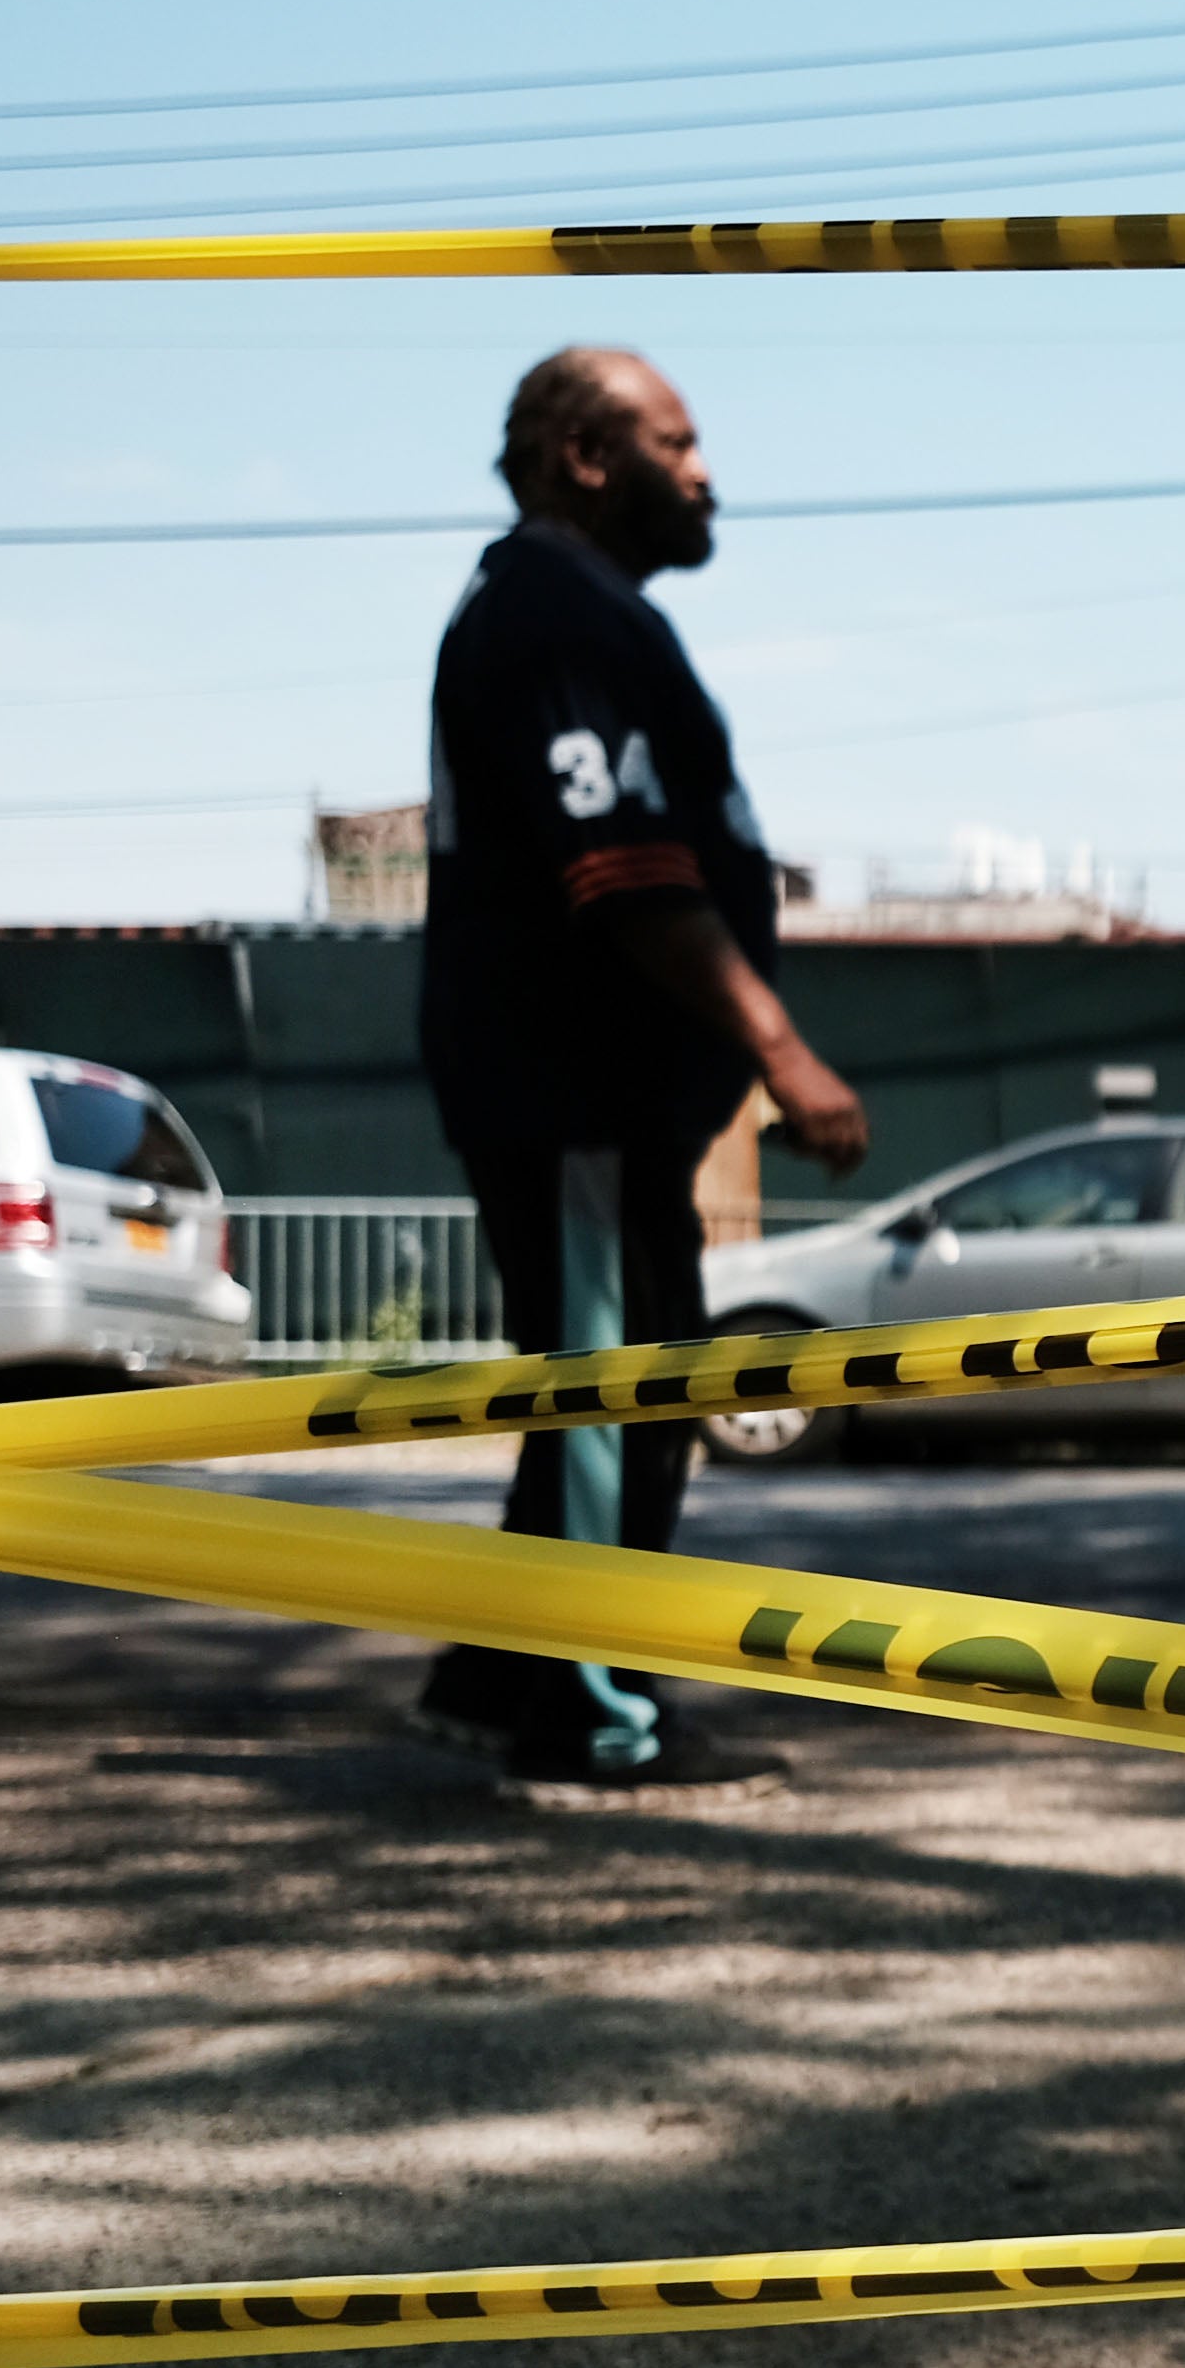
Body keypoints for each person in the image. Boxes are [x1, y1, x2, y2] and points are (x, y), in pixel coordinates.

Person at [405, 346, 867, 1786]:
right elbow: (622, 869)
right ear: (587, 460)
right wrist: (782, 1051)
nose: (706, 469)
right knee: (624, 1392)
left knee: (614, 1386)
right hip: (570, 1092)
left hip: (595, 1096)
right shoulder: (550, 611)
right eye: (678, 441)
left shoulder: (581, 610)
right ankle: (588, 1709)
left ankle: (502, 1672)